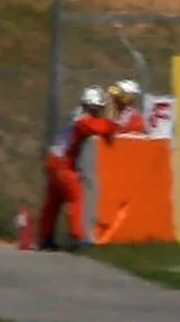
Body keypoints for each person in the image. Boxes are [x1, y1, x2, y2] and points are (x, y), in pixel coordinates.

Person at [29, 85, 119, 251]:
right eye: (99, 108)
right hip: (63, 164)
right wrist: (111, 114)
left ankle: (45, 238)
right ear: (93, 107)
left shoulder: (75, 117)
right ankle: (78, 237)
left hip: (52, 160)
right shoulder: (84, 121)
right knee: (76, 197)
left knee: (53, 202)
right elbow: (105, 129)